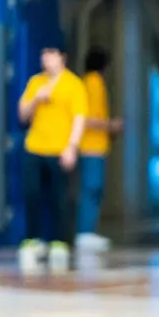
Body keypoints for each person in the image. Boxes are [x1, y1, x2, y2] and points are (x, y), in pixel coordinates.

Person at [17, 44, 87, 271]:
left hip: (59, 148)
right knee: (32, 193)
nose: (47, 59)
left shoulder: (73, 84)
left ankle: (59, 240)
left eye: (51, 54)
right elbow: (23, 114)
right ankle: (33, 239)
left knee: (60, 197)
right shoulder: (36, 83)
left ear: (62, 57)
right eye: (43, 54)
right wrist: (37, 99)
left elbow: (79, 117)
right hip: (35, 146)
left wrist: (72, 147)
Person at [75, 46, 121, 254]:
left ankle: (87, 231)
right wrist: (111, 125)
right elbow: (88, 118)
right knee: (92, 189)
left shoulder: (87, 82)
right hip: (91, 146)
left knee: (92, 188)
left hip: (93, 146)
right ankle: (85, 232)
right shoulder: (94, 83)